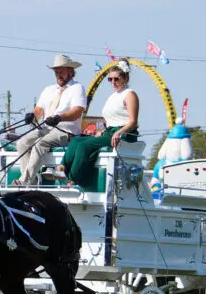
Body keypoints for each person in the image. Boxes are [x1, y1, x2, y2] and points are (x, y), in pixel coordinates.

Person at [57, 61, 139, 191]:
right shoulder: (113, 96)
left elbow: (133, 121)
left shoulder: (130, 94)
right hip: (110, 132)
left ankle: (73, 180)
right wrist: (102, 131)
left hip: (123, 134)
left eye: (116, 79)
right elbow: (111, 119)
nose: (113, 82)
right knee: (77, 139)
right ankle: (61, 168)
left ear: (126, 78)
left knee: (85, 146)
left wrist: (118, 133)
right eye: (110, 79)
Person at [15, 54, 87, 185]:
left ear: (71, 71)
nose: (58, 75)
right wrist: (32, 116)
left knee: (40, 144)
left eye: (61, 71)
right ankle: (32, 179)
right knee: (21, 143)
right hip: (46, 128)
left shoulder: (77, 88)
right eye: (56, 72)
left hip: (65, 132)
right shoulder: (49, 90)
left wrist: (59, 118)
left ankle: (25, 181)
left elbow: (77, 112)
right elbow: (38, 111)